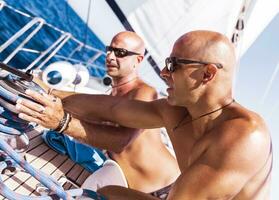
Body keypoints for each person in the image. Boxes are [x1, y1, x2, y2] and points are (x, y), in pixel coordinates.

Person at [16, 30, 272, 200]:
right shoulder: (177, 111)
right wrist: (49, 94)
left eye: (173, 64)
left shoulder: (246, 136)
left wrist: (62, 122)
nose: (162, 72)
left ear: (207, 74)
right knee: (108, 192)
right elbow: (111, 109)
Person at [18, 31, 180, 198]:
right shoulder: (114, 95)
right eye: (109, 49)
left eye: (120, 53)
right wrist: (43, 88)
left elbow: (121, 141)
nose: (110, 56)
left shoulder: (145, 92)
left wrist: (62, 122)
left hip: (167, 190)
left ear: (138, 60)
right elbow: (86, 105)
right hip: (124, 180)